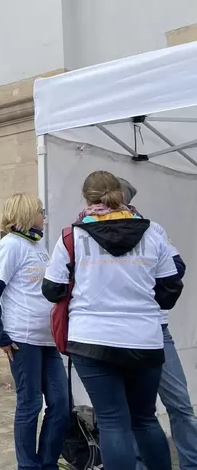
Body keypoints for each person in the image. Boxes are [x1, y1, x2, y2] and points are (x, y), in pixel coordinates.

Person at [43, 170, 183, 470]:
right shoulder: (152, 232)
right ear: (121, 196)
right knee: (144, 418)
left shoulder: (72, 236)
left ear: (88, 198)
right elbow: (171, 288)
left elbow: (52, 289)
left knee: (112, 421)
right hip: (145, 339)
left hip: (92, 340)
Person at [0, 193, 68, 470]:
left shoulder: (38, 246)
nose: (44, 216)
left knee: (60, 403)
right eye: (40, 211)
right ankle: (28, 465)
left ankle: (47, 463)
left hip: (47, 339)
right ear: (26, 214)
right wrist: (0, 335)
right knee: (30, 404)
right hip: (22, 339)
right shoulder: (11, 245)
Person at [119, 177, 196, 470]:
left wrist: (144, 279)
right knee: (131, 409)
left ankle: (191, 463)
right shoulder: (89, 231)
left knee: (180, 404)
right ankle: (137, 464)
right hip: (119, 334)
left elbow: (177, 268)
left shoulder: (152, 229)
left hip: (156, 330)